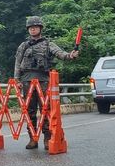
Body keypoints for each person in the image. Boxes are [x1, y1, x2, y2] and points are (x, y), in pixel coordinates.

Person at [14, 16, 79, 150]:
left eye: (35, 27)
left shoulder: (48, 44)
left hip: (43, 79)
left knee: (45, 109)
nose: (33, 29)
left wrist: (71, 55)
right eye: (31, 28)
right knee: (29, 110)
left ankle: (47, 137)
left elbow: (61, 54)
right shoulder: (23, 45)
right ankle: (33, 138)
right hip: (27, 79)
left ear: (40, 28)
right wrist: (17, 79)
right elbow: (17, 63)